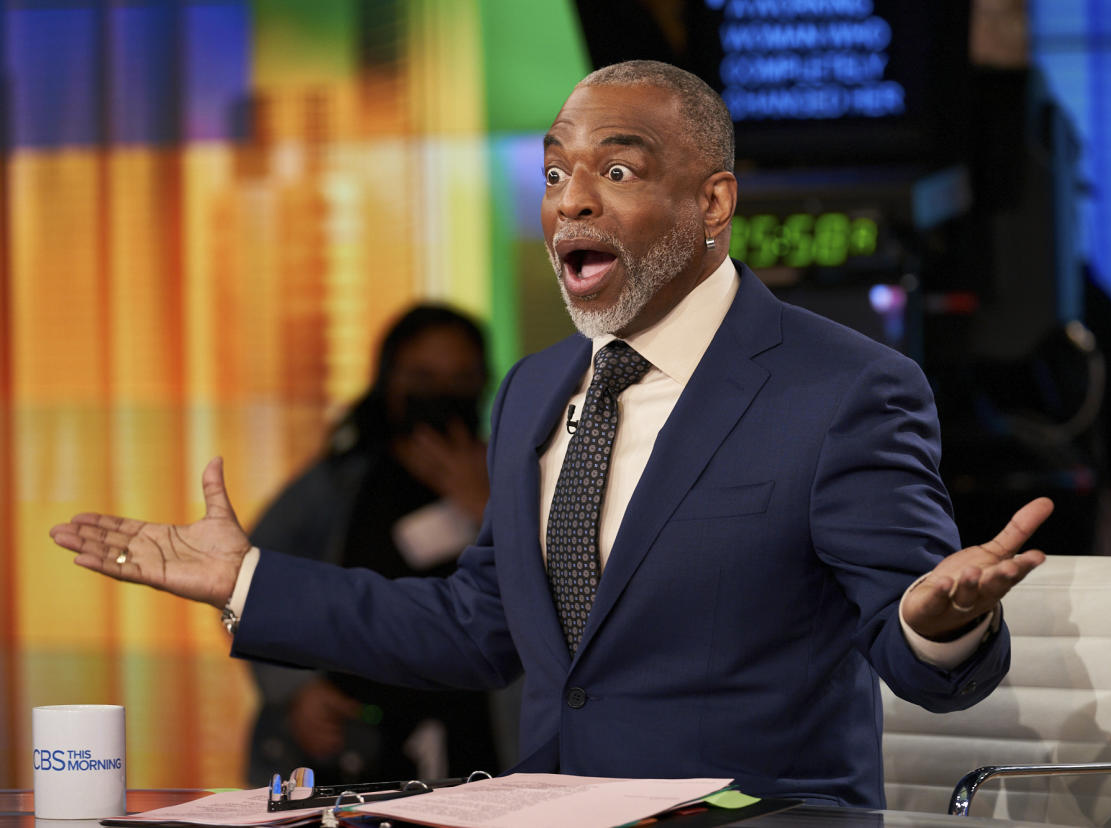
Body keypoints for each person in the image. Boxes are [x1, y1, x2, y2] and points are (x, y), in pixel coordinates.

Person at [51, 60, 1052, 807]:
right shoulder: (536, 391)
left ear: (712, 204)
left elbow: (922, 658)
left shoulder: (845, 389)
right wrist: (247, 580)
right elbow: (479, 629)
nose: (569, 197)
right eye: (555, 172)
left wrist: (940, 616)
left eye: (616, 170)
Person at [243, 304, 499, 786]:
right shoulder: (340, 483)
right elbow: (248, 577)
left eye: (463, 377)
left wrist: (489, 506)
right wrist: (294, 688)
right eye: (423, 376)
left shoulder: (516, 476)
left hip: (477, 746)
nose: (443, 395)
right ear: (389, 379)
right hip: (348, 746)